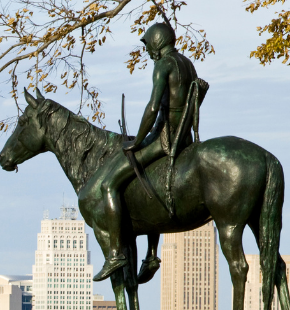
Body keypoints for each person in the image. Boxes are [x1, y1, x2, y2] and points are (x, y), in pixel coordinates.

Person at [88, 21, 206, 282]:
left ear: (156, 42)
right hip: (184, 138)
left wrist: (137, 141)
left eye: (148, 46)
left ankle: (116, 253)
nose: (148, 52)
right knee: (147, 183)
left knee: (109, 185)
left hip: (164, 140)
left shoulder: (163, 65)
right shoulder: (187, 63)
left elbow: (153, 108)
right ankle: (151, 255)